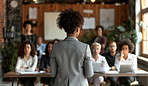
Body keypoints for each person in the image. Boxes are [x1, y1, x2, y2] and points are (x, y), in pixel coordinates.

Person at [50, 9, 94, 86]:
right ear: (77, 29)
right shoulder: (85, 47)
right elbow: (89, 74)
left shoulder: (55, 47)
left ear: (64, 29)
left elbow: (53, 74)